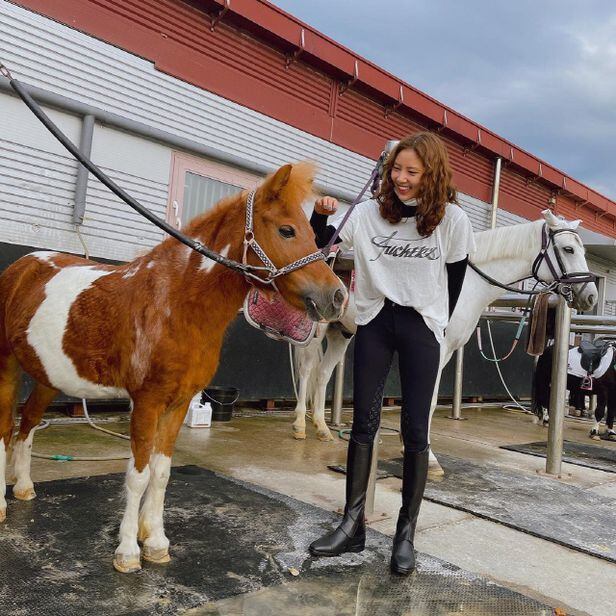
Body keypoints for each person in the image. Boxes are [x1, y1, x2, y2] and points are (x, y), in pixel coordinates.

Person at [308, 132, 475, 575]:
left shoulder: (453, 221)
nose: (401, 179)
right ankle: (352, 525)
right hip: (376, 320)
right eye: (396, 169)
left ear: (430, 175)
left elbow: (455, 281)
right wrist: (317, 215)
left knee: (415, 431)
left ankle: (405, 535)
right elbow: (324, 247)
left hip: (421, 324)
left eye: (412, 172)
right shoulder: (366, 213)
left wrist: (435, 323)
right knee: (363, 420)